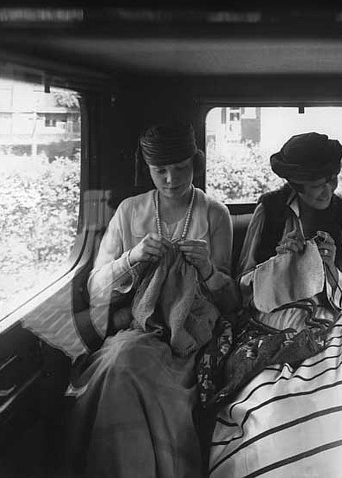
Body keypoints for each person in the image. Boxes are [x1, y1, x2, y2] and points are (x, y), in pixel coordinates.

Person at [209, 132, 342, 478]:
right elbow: (241, 289)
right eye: (316, 185)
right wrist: (276, 264)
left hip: (329, 321)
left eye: (331, 180)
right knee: (266, 407)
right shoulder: (268, 211)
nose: (328, 191)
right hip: (271, 320)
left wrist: (329, 268)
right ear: (295, 185)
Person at [69, 123, 239, 478]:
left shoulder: (214, 213)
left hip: (192, 338)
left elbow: (229, 303)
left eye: (180, 168)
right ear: (146, 168)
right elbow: (97, 289)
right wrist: (131, 257)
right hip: (136, 328)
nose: (171, 179)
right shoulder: (130, 211)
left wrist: (207, 269)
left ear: (196, 164)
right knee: (122, 363)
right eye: (159, 170)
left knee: (128, 366)